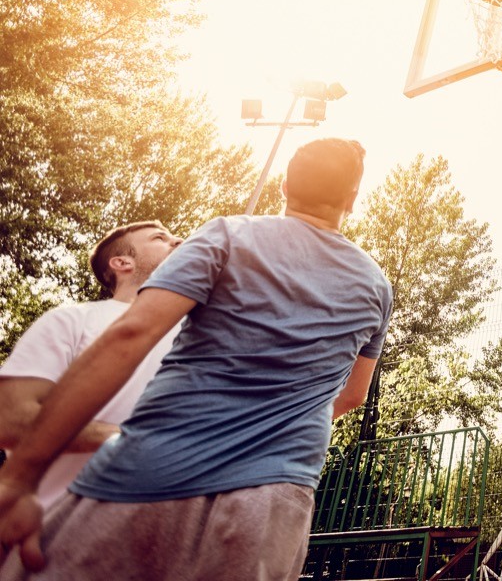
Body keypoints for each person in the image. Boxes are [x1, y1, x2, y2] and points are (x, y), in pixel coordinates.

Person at [0, 137, 393, 581]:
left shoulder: (229, 234)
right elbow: (353, 396)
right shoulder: (376, 286)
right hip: (273, 498)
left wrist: (20, 475)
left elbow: (131, 333)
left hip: (153, 469)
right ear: (352, 199)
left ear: (285, 186)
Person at [0, 222, 184, 509]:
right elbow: (8, 418)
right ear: (122, 262)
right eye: (161, 238)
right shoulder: (72, 320)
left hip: (174, 536)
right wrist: (135, 439)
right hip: (58, 529)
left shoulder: (203, 332)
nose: (178, 241)